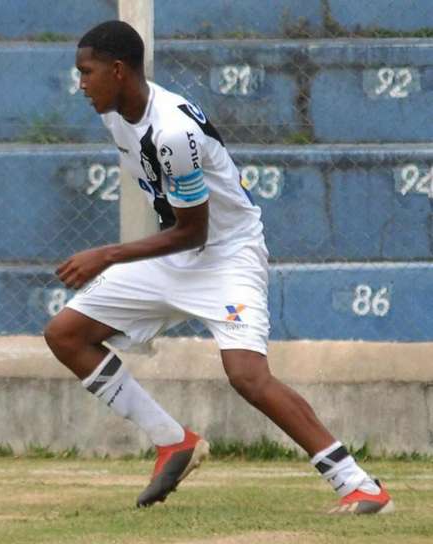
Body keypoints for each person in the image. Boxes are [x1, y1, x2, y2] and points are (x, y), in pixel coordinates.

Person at [43, 20, 393, 514]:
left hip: (226, 253)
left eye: (87, 72)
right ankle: (173, 441)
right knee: (66, 334)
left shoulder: (172, 132)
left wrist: (107, 254)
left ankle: (360, 486)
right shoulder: (116, 112)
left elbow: (196, 231)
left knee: (248, 376)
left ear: (118, 71)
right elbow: (180, 231)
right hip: (175, 253)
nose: (80, 84)